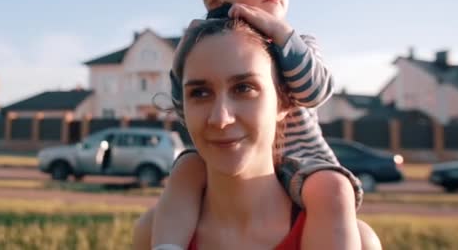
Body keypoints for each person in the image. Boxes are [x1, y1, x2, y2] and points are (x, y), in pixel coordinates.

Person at [141, 0, 380, 249]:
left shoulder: (297, 46)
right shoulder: (202, 48)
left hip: (304, 164)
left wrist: (282, 35)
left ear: (281, 98)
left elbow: (316, 91)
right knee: (185, 168)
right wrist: (181, 60)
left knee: (335, 189)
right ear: (213, 1)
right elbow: (180, 104)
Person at [134, 19, 361, 249]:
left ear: (283, 102)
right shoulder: (154, 235)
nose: (221, 119)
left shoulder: (348, 239)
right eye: (200, 93)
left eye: (244, 88)